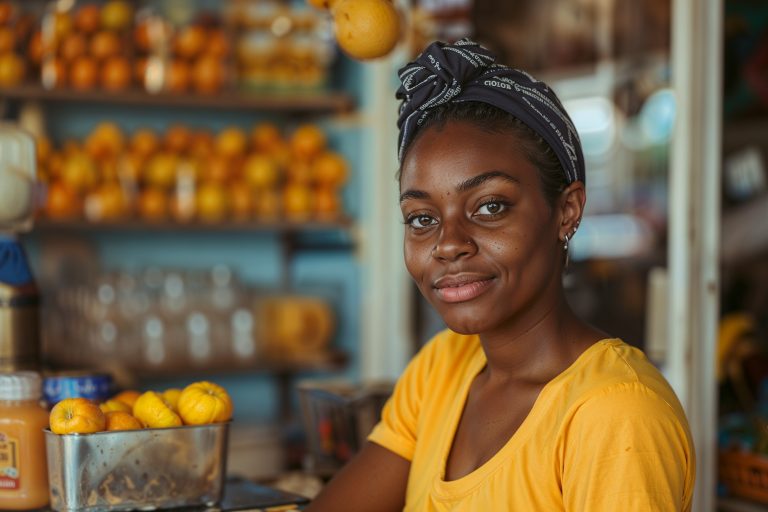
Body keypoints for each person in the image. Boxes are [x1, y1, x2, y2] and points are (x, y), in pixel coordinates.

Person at [307, 38, 695, 511]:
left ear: (566, 211)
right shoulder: (442, 368)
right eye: (422, 218)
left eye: (490, 207)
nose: (448, 243)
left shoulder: (615, 413)